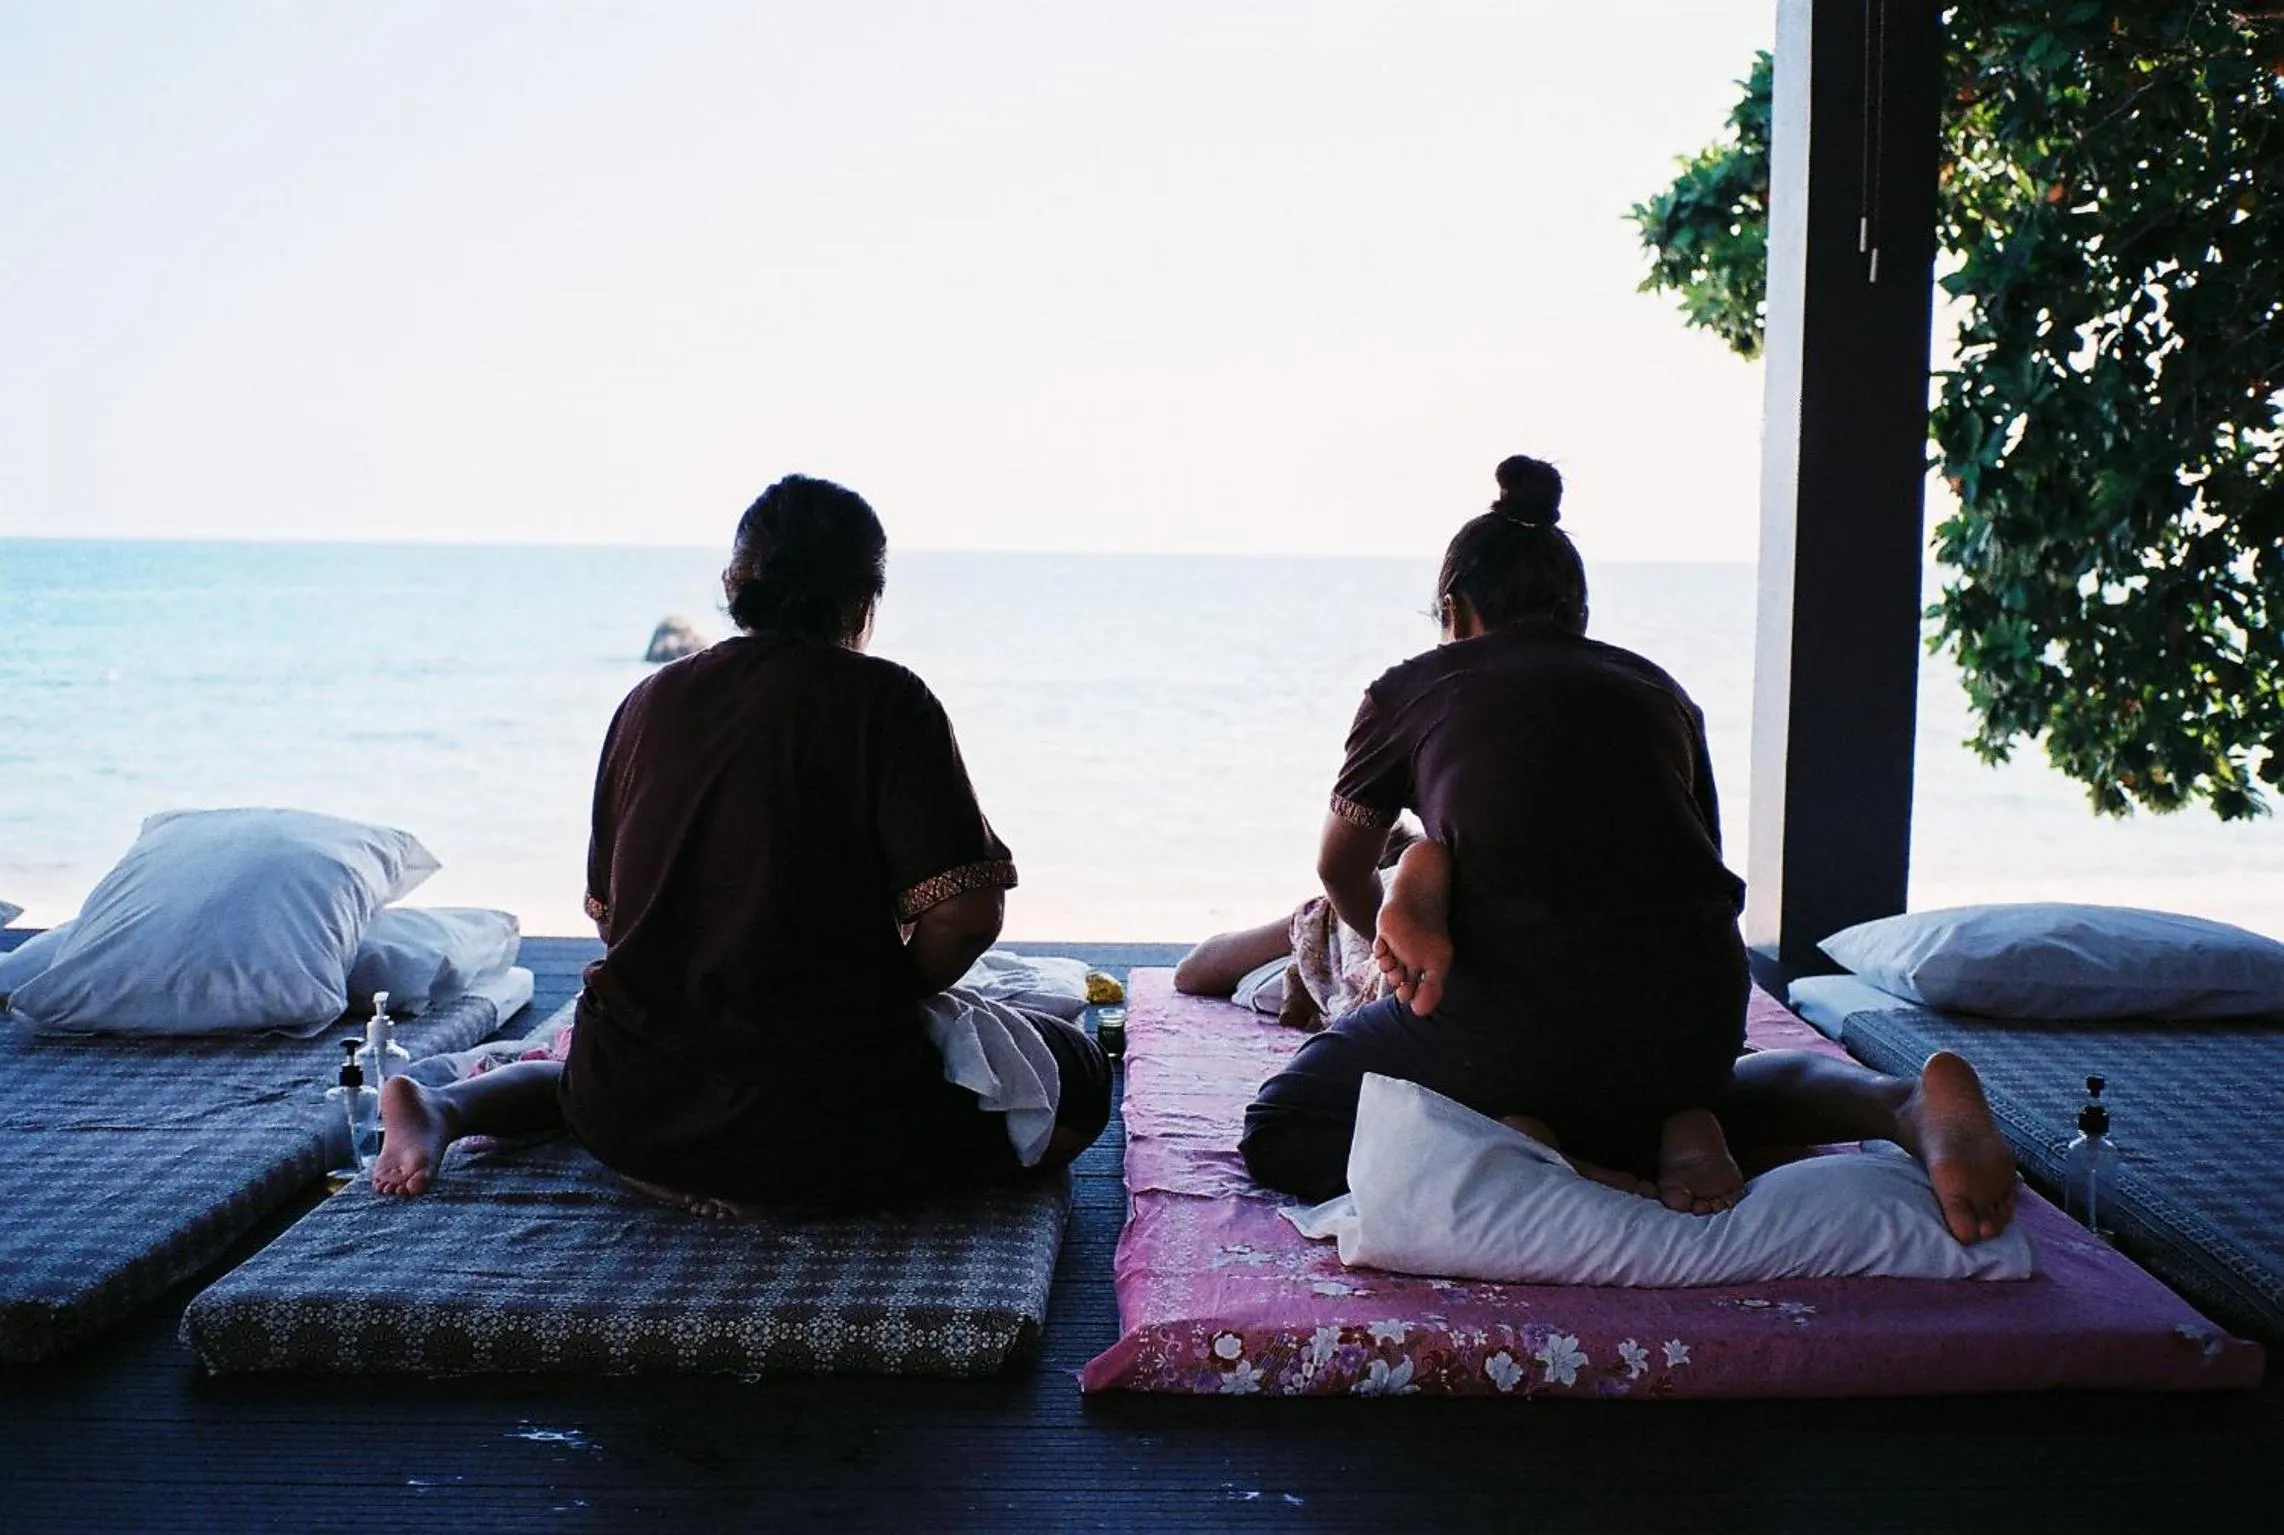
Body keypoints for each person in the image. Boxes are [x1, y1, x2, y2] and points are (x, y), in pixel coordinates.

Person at [1241, 456, 2019, 1241]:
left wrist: (1400, 959)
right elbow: (1695, 871)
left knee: (1284, 1127)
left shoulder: (1411, 688)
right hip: (1699, 1005)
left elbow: (1339, 867)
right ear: (1577, 612)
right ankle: (1896, 1102)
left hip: (1513, 1025)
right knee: (1696, 1081)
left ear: (1454, 608)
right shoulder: (1659, 691)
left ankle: (1531, 1145)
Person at [373, 475, 1111, 1215]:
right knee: (1076, 1073)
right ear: (864, 600)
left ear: (734, 584)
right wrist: (891, 988)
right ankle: (767, 1183)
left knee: (601, 1062)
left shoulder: (646, 702)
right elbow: (967, 916)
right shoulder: (889, 700)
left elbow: (612, 918)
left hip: (626, 1108)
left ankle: (452, 1107)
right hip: (816, 1124)